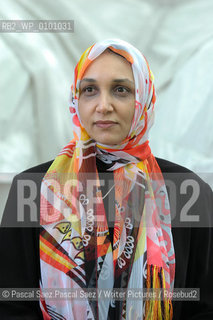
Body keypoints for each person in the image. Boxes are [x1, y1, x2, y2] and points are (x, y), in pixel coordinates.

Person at [0, 39, 212, 320]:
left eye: (120, 90)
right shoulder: (32, 189)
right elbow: (12, 307)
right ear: (75, 99)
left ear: (144, 98)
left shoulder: (189, 192)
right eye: (90, 90)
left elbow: (205, 307)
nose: (103, 106)